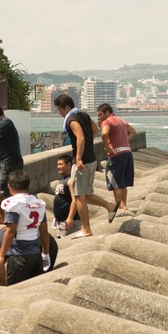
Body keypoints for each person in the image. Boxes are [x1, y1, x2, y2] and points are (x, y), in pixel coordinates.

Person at [53, 94, 120, 237]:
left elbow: (81, 137)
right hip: (91, 159)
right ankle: (110, 206)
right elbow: (95, 129)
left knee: (78, 196)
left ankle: (86, 229)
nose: (60, 113)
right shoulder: (82, 114)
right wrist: (89, 144)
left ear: (66, 107)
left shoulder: (71, 119)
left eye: (60, 110)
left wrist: (78, 158)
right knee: (85, 194)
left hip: (82, 161)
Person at [0, 170, 52, 286]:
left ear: (9, 186)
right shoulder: (39, 204)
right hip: (36, 254)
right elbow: (44, 233)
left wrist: (1, 256)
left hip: (19, 255)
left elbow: (10, 231)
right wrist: (45, 254)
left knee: (15, 290)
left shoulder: (14, 204)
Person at [0, 222, 59, 286]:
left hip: (34, 249)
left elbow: (1, 277)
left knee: (15, 285)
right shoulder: (2, 231)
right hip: (49, 242)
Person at [97, 103, 137, 211]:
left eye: (100, 115)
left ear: (107, 112)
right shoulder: (121, 120)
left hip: (116, 155)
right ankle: (124, 205)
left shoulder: (107, 121)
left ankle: (119, 206)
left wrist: (107, 147)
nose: (99, 118)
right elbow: (133, 131)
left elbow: (104, 134)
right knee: (123, 182)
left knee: (116, 183)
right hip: (127, 153)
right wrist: (124, 141)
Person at [51, 154, 78, 237]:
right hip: (61, 222)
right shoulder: (63, 179)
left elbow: (75, 200)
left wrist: (70, 218)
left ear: (69, 165)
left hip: (68, 222)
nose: (58, 167)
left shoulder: (71, 180)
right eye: (57, 164)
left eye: (61, 164)